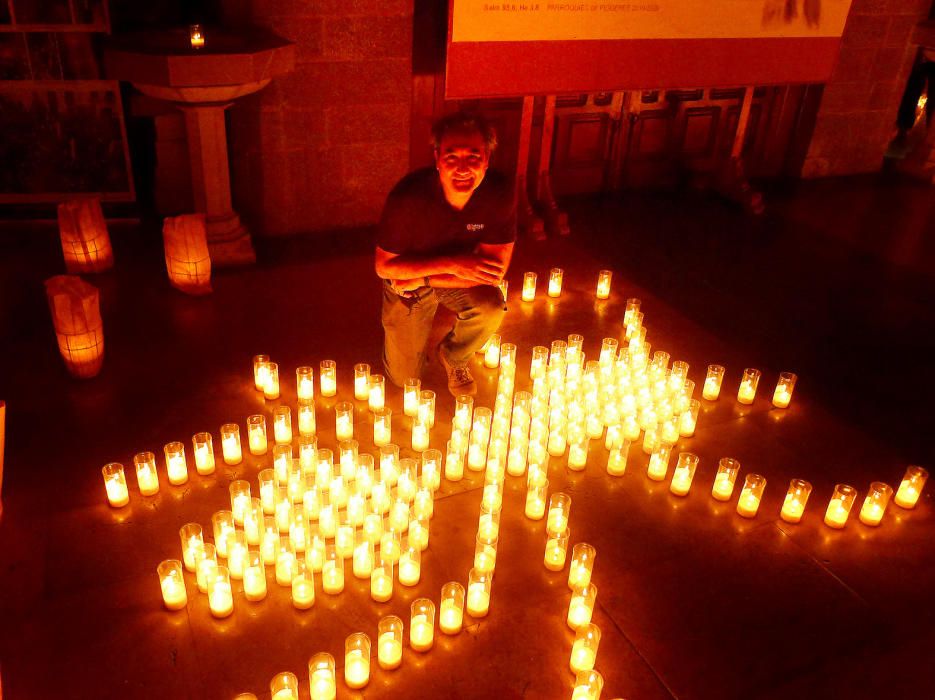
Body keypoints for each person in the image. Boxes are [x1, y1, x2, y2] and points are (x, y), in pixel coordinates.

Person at [375, 111, 515, 396]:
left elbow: (494, 273)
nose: (462, 168)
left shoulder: (499, 193)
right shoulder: (409, 198)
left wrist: (426, 278)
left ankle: (454, 356)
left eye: (473, 157)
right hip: (411, 280)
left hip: (426, 278)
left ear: (487, 159)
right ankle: (401, 340)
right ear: (438, 159)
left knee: (490, 307)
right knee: (405, 380)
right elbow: (385, 267)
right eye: (452, 157)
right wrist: (454, 263)